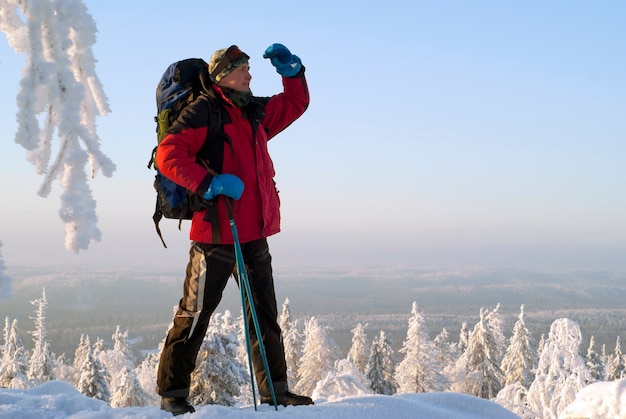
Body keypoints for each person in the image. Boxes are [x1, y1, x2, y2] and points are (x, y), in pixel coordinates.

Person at [155, 43, 312, 415]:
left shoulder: (254, 112)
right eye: (242, 68)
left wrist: (293, 73)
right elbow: (168, 154)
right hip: (214, 234)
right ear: (222, 74)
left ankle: (276, 391)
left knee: (263, 313)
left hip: (253, 232)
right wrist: (209, 184)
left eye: (248, 68)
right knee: (194, 315)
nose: (249, 74)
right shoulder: (204, 111)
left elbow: (294, 105)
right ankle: (173, 395)